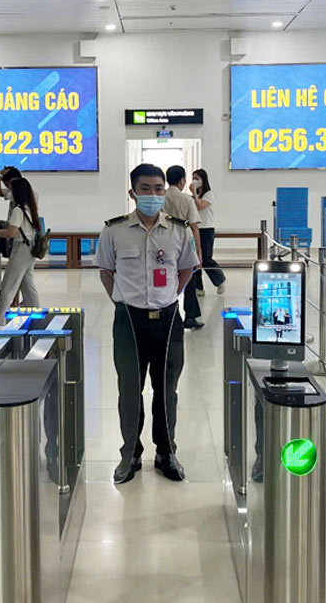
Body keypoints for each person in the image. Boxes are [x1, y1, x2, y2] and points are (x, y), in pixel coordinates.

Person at [95, 164, 199, 484]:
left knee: (167, 391)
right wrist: (122, 301)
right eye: (145, 189)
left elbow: (187, 268)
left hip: (168, 321)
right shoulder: (114, 231)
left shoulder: (179, 231)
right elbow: (105, 271)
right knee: (129, 390)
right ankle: (130, 454)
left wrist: (170, 296)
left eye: (158, 189)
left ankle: (167, 453)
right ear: (133, 193)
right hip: (129, 321)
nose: (153, 195)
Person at [0, 178, 41, 325]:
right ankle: (36, 313)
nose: (8, 193)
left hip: (21, 249)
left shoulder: (18, 210)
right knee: (27, 284)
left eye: (11, 190)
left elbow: (11, 233)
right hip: (30, 249)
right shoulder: (30, 207)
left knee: (8, 285)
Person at [163, 165, 204, 329]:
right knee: (189, 280)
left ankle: (167, 313)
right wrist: (198, 252)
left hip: (163, 243)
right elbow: (194, 227)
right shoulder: (187, 200)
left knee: (165, 278)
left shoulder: (160, 198)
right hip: (184, 244)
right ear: (182, 181)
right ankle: (190, 316)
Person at [188, 169, 226, 297]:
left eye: (197, 178)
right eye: (193, 178)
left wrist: (194, 192)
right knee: (194, 259)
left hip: (206, 229)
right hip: (194, 229)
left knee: (205, 258)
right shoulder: (194, 197)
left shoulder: (209, 194)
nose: (194, 181)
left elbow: (200, 206)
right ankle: (198, 287)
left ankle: (219, 280)